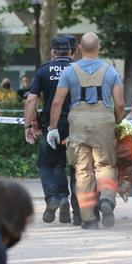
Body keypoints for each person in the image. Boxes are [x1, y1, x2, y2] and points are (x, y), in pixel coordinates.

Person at [48, 32, 123, 230]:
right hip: (104, 123)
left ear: (79, 48)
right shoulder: (111, 71)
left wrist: (53, 128)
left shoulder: (69, 72)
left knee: (83, 172)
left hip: (78, 125)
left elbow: (57, 101)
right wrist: (115, 121)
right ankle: (106, 198)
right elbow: (120, 103)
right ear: (99, 47)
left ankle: (89, 219)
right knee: (105, 166)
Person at [24, 37, 79, 225]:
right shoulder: (79, 70)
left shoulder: (43, 71)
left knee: (48, 164)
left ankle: (54, 197)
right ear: (71, 52)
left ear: (52, 53)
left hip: (52, 125)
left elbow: (31, 100)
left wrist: (29, 125)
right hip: (76, 125)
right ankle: (69, 203)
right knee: (74, 166)